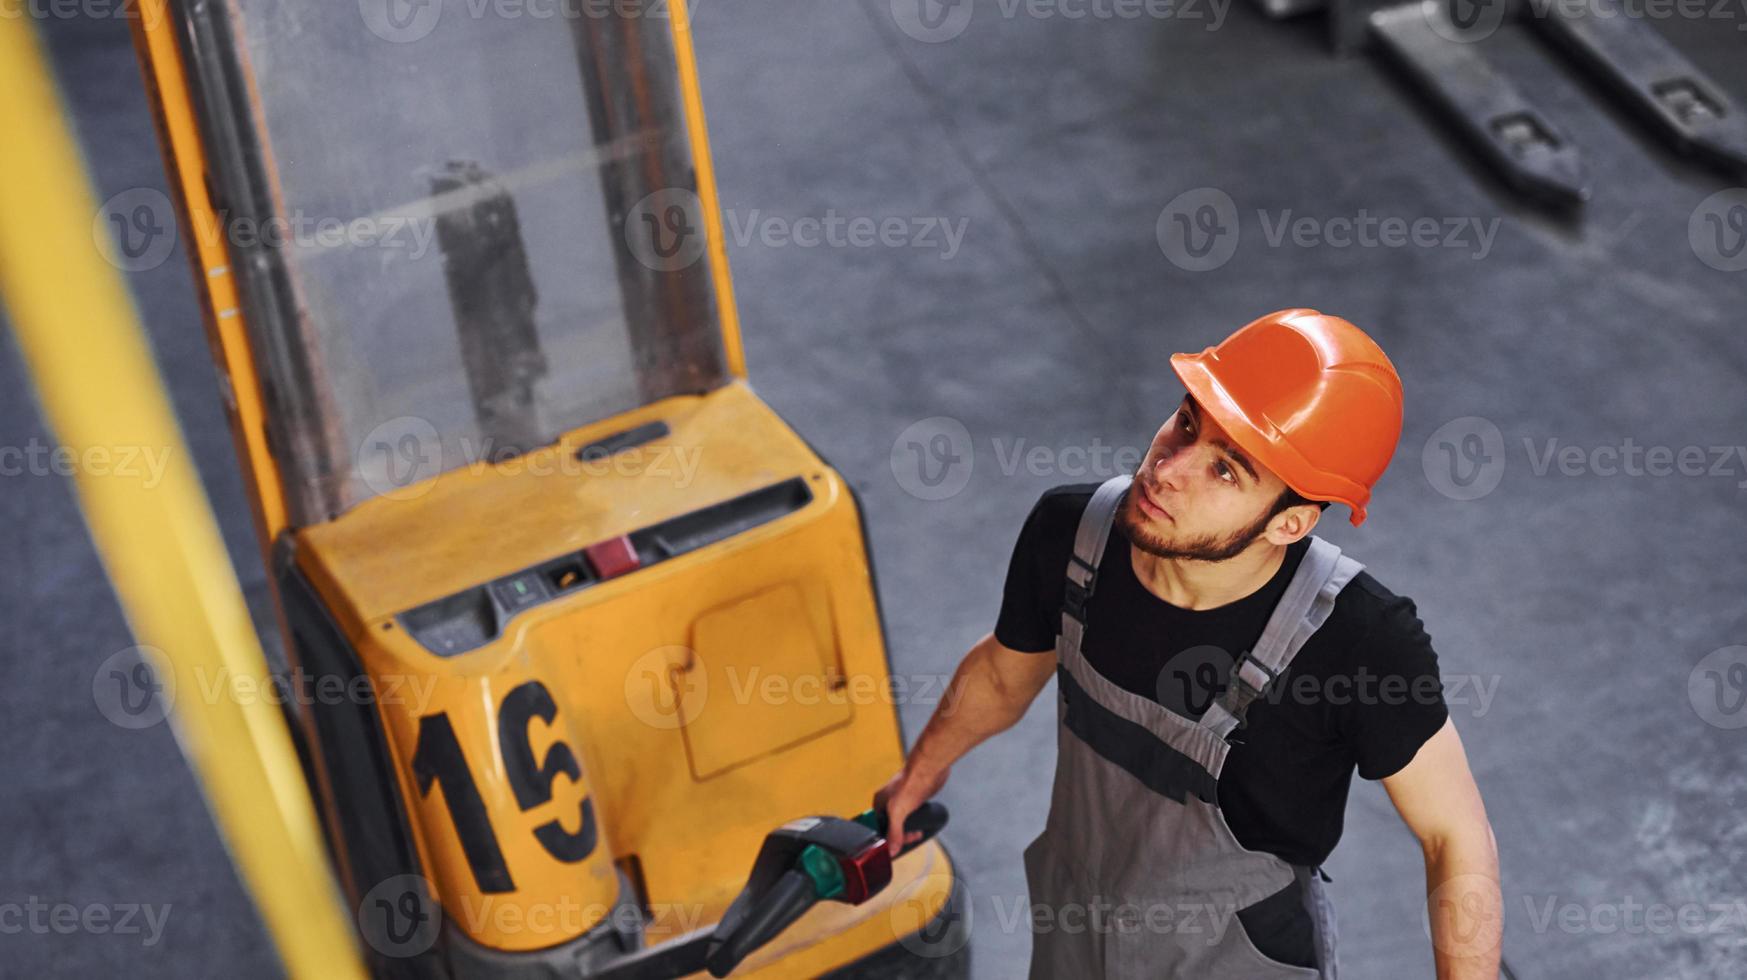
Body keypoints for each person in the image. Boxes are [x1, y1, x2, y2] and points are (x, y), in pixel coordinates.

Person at [879, 309, 1502, 978]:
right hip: (1076, 924)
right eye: (1184, 423)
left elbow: (1453, 836)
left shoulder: (1357, 642)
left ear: (1288, 522)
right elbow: (1003, 678)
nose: (1169, 469)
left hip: (1234, 958)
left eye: (1226, 471)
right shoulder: (1072, 537)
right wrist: (919, 774)